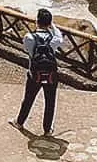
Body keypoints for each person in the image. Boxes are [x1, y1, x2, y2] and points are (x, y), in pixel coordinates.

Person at [10, 8, 63, 137]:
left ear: (37, 21)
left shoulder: (29, 37)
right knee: (50, 102)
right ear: (49, 23)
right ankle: (47, 129)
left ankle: (19, 122)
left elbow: (28, 51)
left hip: (34, 74)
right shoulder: (54, 39)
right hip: (51, 75)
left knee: (28, 99)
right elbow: (60, 37)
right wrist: (52, 25)